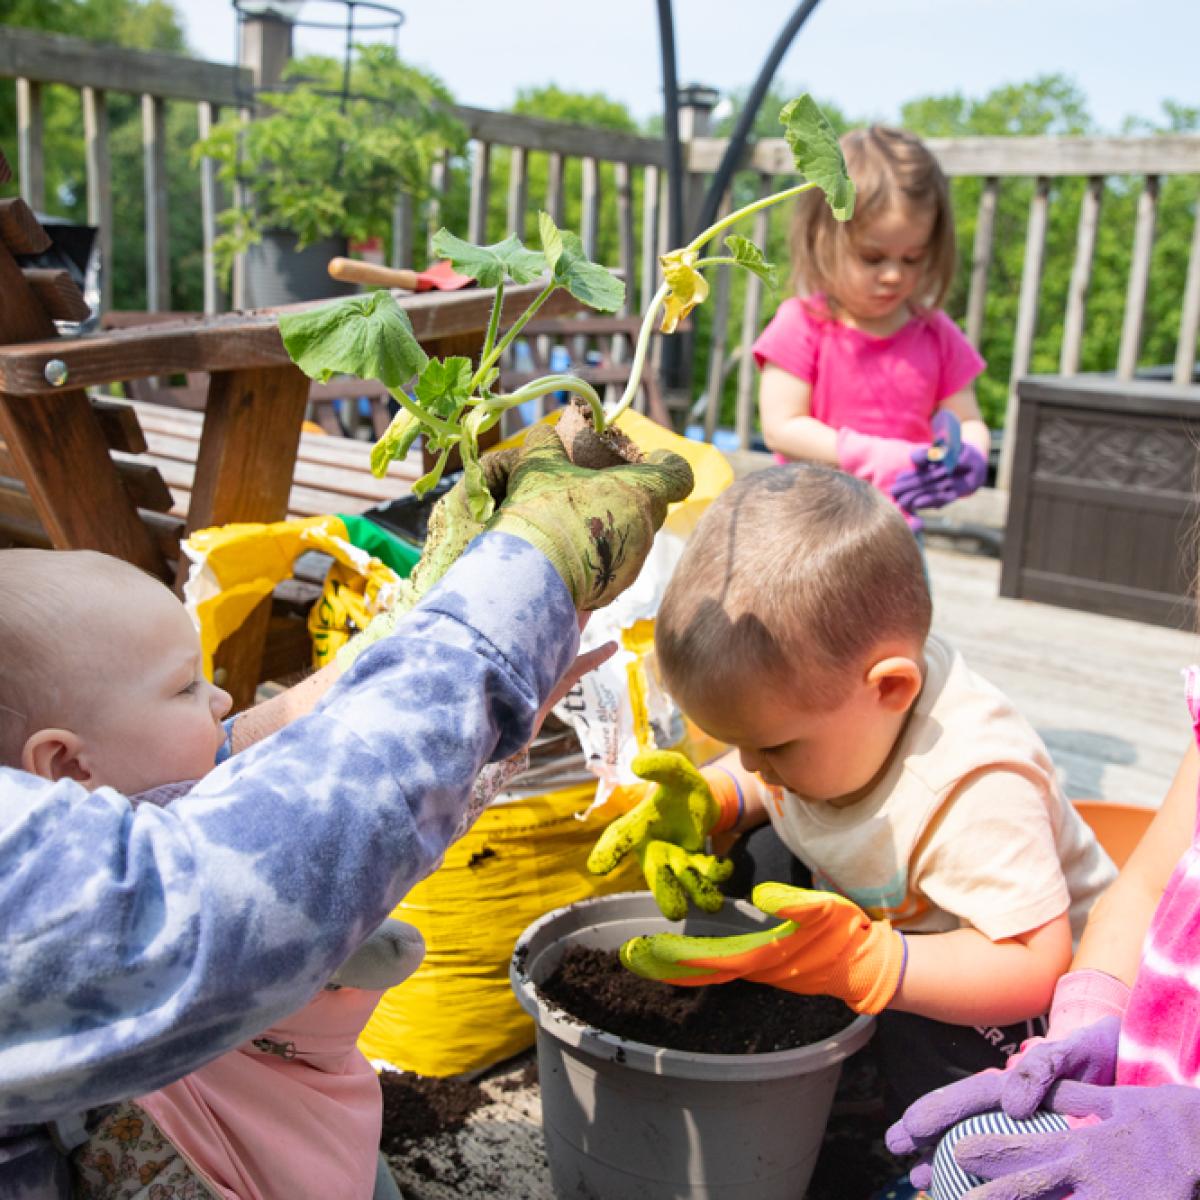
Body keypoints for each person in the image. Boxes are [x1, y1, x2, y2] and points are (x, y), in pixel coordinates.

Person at [0, 425, 694, 1198]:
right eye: (185, 689)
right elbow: (233, 887)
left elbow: (246, 783)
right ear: (62, 766)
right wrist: (506, 608)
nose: (225, 698)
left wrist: (416, 638)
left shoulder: (95, 798)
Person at [587, 464, 1115, 1121]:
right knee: (752, 861)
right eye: (737, 744)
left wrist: (868, 964)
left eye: (773, 748)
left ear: (891, 689)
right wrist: (714, 799)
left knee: (951, 1052)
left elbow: (1032, 965)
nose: (753, 764)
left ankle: (921, 1140)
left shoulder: (974, 787)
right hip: (890, 927)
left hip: (1011, 992)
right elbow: (758, 774)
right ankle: (833, 1055)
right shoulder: (844, 721)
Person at [886, 706, 1200, 1197]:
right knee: (968, 1157)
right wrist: (1078, 1036)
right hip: (1146, 1109)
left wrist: (1188, 1140)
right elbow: (1146, 888)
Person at [753, 124, 990, 528]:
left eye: (912, 258)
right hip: (807, 529)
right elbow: (781, 428)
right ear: (821, 237)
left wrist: (971, 458)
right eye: (872, 257)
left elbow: (967, 420)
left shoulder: (935, 333)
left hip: (892, 530)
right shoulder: (802, 325)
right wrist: (874, 456)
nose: (894, 275)